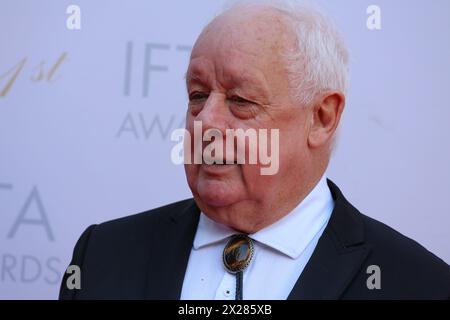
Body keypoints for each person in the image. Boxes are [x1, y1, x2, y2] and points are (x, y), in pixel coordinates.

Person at [60, 1, 450, 299]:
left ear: (321, 117)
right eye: (197, 95)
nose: (206, 121)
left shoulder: (420, 284)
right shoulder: (102, 256)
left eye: (241, 100)